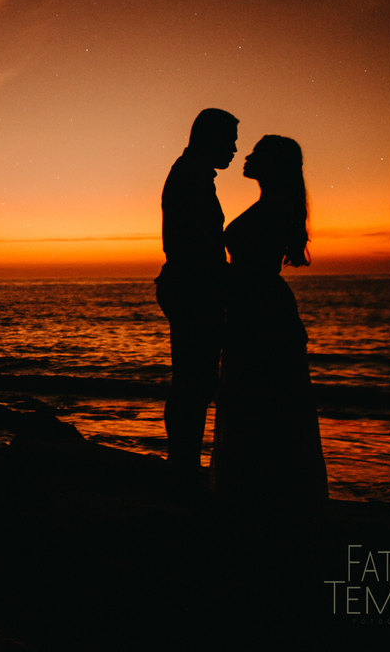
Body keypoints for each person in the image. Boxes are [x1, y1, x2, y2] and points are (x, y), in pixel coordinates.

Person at [211, 135, 328, 511]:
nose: (246, 157)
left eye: (257, 154)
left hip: (261, 309)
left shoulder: (276, 207)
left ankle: (262, 492)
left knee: (262, 396)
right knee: (257, 397)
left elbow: (256, 266)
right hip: (255, 304)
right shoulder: (271, 204)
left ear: (272, 164)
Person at [155, 108, 239, 494]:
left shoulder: (195, 174)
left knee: (194, 381)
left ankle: (183, 463)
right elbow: (193, 242)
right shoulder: (190, 176)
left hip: (190, 286)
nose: (236, 149)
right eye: (230, 140)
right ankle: (183, 465)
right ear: (211, 138)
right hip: (193, 288)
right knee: (194, 381)